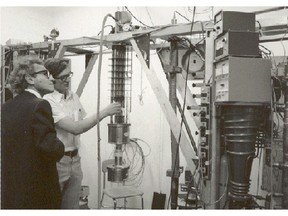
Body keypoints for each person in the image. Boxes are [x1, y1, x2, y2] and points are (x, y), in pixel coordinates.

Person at [43, 58, 121, 209]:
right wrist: (104, 112)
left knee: (72, 207)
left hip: (75, 161)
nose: (67, 80)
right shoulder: (48, 101)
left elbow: (82, 122)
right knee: (53, 206)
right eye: (62, 77)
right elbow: (75, 128)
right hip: (58, 162)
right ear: (51, 78)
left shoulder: (74, 97)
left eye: (69, 75)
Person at [1, 55, 65, 209]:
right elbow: (50, 148)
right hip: (38, 192)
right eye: (44, 74)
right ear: (30, 79)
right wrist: (61, 146)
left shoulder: (6, 106)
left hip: (13, 192)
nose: (52, 79)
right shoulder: (40, 105)